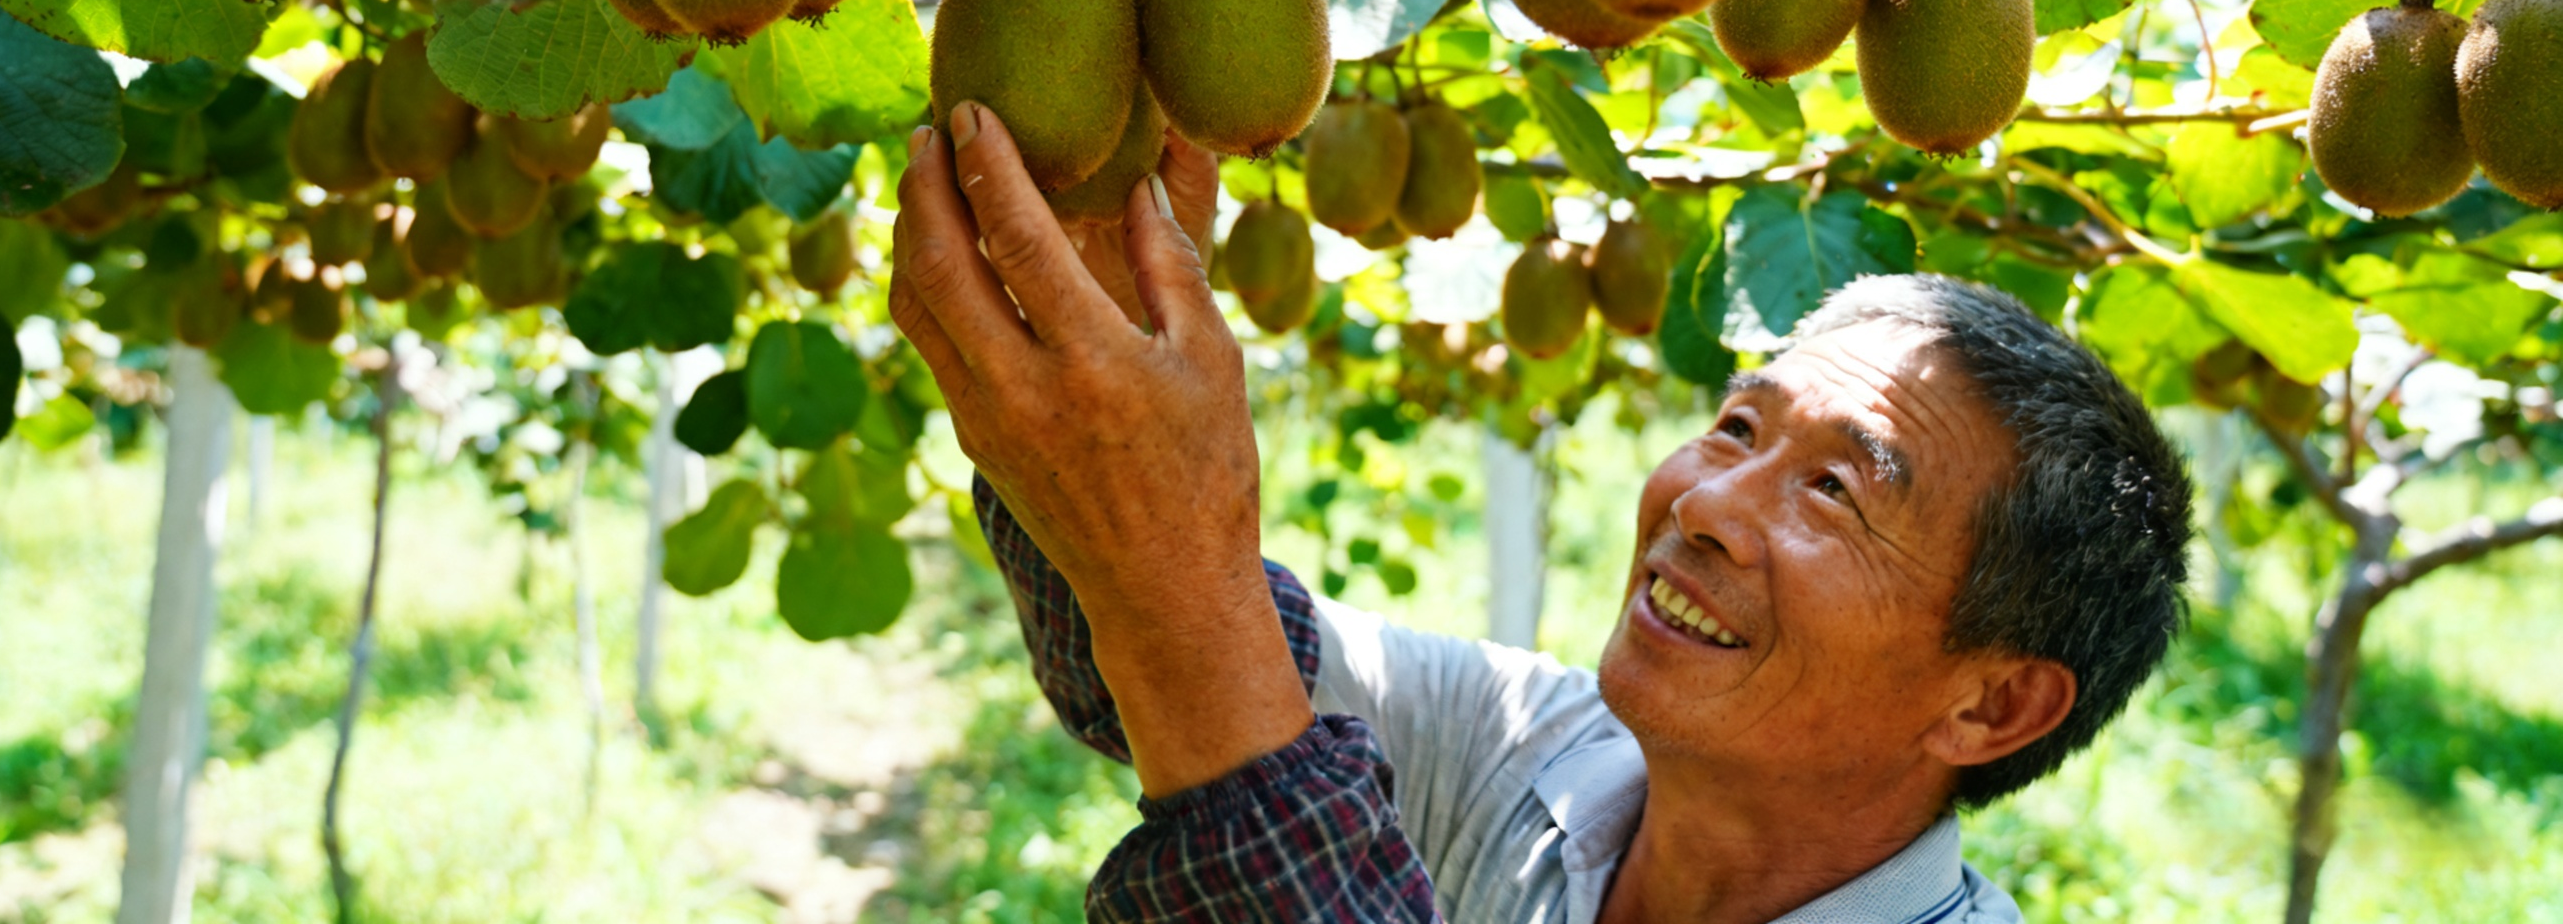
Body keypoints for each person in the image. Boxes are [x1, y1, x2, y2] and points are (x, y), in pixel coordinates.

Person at [888, 102, 2194, 924]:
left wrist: (1176, 565)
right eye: (1735, 425)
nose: (1704, 501)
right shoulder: (1547, 749)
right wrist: (1082, 321)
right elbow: (1171, 678)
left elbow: (1197, 644)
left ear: (1989, 703)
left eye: (1834, 488)